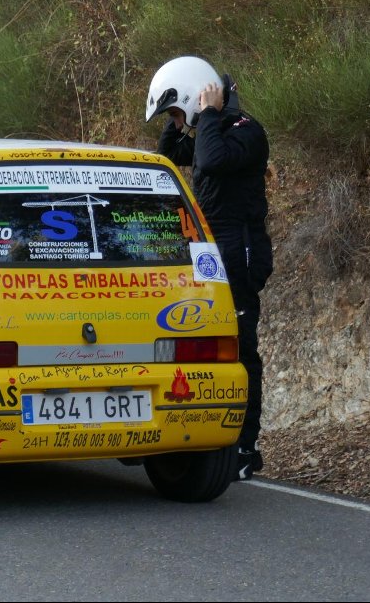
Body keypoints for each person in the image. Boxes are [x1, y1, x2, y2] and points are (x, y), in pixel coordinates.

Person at [146, 55, 273, 481]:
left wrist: (212, 113)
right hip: (211, 253)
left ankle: (245, 447)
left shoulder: (245, 132)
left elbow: (214, 161)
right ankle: (208, 436)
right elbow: (166, 155)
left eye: (179, 109)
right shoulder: (210, 132)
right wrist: (180, 123)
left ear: (197, 96)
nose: (180, 120)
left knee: (242, 350)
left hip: (240, 250)